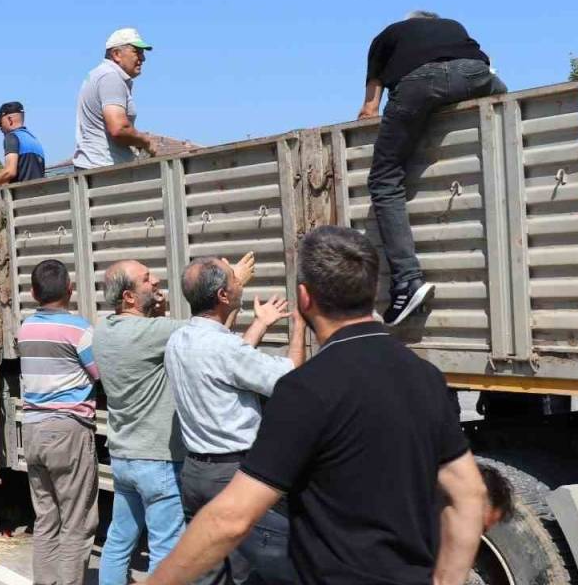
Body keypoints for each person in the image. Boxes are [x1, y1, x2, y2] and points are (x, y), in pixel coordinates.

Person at [145, 226, 488, 585]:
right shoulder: (426, 377)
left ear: (305, 298)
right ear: (372, 292)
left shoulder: (305, 389)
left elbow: (230, 519)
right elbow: (470, 493)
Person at [358, 11, 507, 326]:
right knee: (505, 101)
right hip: (475, 74)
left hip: (419, 84)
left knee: (384, 181)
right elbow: (485, 64)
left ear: (407, 23)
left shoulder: (387, 35)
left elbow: (369, 108)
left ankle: (406, 281)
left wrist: (382, 119)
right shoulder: (455, 26)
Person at [166, 256, 303, 585]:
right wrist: (300, 327)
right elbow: (288, 379)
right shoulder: (223, 348)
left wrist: (258, 324)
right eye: (235, 279)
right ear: (223, 296)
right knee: (245, 573)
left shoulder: (179, 340)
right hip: (231, 477)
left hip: (195, 473)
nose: (241, 280)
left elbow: (228, 363)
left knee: (207, 573)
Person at [94, 259, 189, 585]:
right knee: (165, 548)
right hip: (158, 459)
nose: (156, 281)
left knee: (119, 540)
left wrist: (156, 312)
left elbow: (148, 345)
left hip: (124, 456)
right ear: (129, 298)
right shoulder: (155, 331)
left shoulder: (103, 330)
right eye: (147, 279)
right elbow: (207, 330)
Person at [18, 260, 100, 585]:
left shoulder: (25, 328)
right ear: (70, 289)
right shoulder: (80, 330)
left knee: (46, 517)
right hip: (67, 430)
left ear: (34, 293)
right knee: (76, 521)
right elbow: (100, 373)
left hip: (33, 429)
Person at [73, 28, 159, 170]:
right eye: (137, 51)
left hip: (93, 169)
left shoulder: (98, 74)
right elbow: (119, 129)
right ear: (116, 54)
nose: (142, 58)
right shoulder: (111, 77)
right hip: (104, 170)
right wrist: (146, 141)